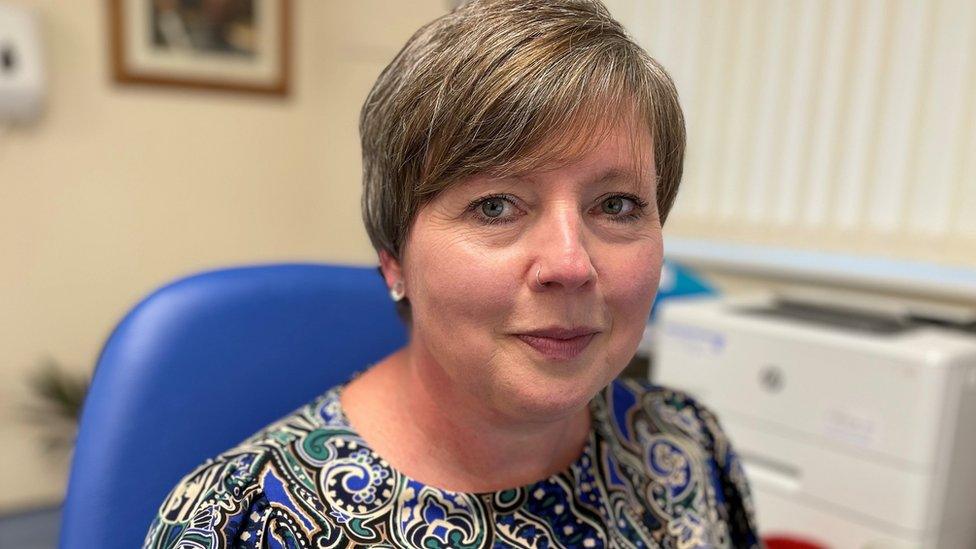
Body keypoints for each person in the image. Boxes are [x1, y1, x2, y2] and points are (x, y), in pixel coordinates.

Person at [143, 0, 761, 547]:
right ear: (393, 256)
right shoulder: (242, 523)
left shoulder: (686, 444)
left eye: (617, 205)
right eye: (496, 206)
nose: (571, 264)